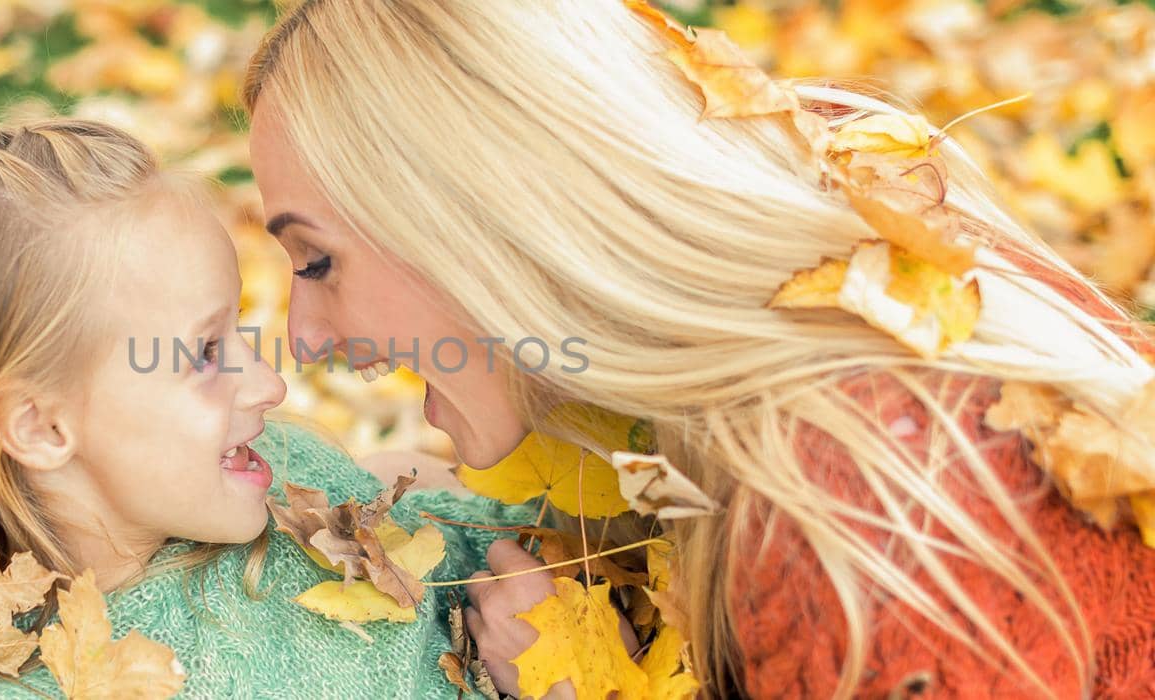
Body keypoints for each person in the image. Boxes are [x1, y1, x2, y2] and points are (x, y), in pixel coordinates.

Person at [243, 1, 1155, 697]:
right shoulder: (765, 353)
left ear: (488, 220)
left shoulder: (847, 507)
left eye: (319, 260)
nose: (304, 339)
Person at [0, 119, 527, 699]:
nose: (269, 386)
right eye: (203, 353)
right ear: (42, 427)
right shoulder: (31, 690)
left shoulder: (284, 481)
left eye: (240, 331)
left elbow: (499, 555)